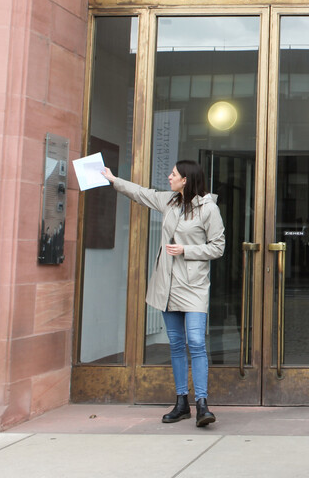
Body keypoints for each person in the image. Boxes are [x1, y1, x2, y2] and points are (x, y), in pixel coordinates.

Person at [101, 160, 224, 427]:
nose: (169, 177)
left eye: (174, 174)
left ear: (186, 180)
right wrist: (113, 179)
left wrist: (186, 251)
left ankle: (202, 404)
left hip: (193, 286)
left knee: (197, 342)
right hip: (166, 285)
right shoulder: (170, 202)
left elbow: (218, 247)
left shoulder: (208, 208)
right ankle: (181, 403)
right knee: (177, 345)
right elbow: (141, 193)